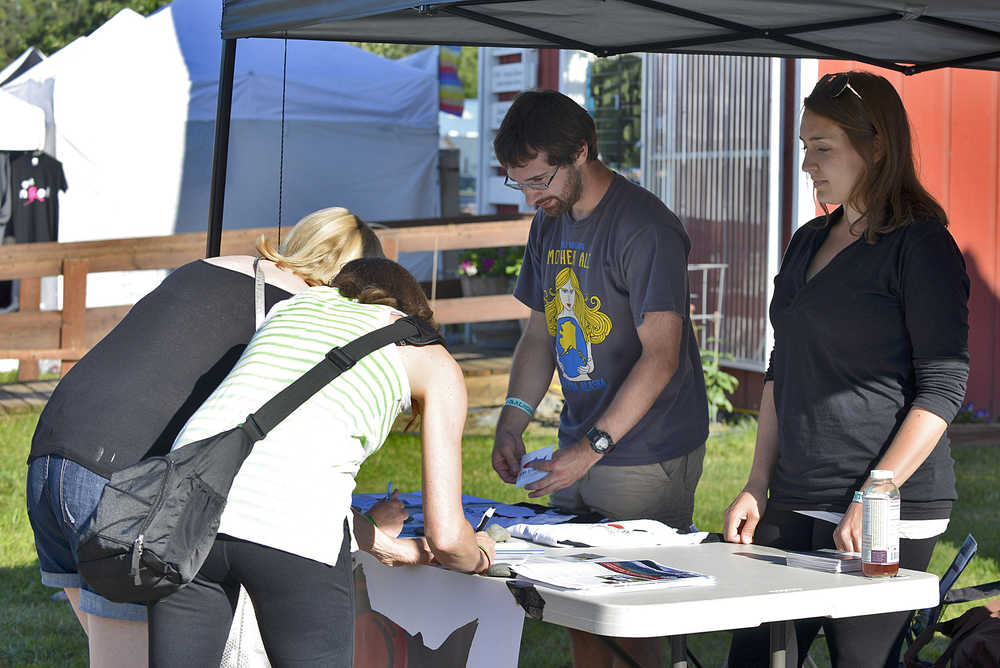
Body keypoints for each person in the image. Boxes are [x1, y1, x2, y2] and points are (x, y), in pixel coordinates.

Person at [25, 207, 382, 668]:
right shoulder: (297, 313)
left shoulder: (211, 267)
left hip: (51, 461)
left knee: (110, 652)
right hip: (121, 484)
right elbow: (281, 458)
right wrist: (372, 535)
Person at [723, 71, 970, 668]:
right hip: (798, 491)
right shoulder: (808, 240)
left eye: (823, 147)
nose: (808, 163)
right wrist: (758, 480)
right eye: (805, 147)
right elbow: (783, 366)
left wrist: (875, 492)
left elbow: (943, 386)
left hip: (889, 504)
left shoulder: (921, 244)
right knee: (753, 659)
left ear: (876, 146)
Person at [147, 258, 496, 667]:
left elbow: (277, 464)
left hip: (188, 507)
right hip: (292, 526)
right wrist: (481, 553)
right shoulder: (432, 358)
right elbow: (449, 537)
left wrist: (391, 547)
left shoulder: (294, 307)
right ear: (418, 316)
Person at [490, 89, 709, 668]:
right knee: (577, 611)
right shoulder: (550, 223)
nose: (532, 198)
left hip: (644, 449)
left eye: (541, 180)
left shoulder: (645, 228)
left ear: (582, 151)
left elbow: (661, 358)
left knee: (631, 616)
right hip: (579, 443)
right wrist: (512, 420)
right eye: (521, 184)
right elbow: (540, 335)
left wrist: (594, 449)